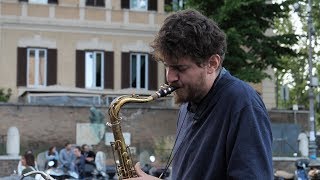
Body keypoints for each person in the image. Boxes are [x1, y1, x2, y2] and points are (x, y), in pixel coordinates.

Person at [127, 9, 273, 179]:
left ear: (212, 63)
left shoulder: (243, 104)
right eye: (167, 66)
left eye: (180, 68)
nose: (170, 77)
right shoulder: (188, 103)